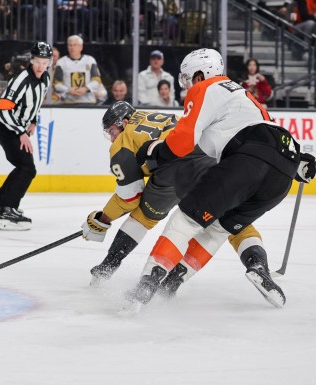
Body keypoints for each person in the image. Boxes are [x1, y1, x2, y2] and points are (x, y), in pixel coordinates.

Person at [128, 48, 316, 308]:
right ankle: (171, 284)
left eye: (186, 79)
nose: (185, 87)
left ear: (199, 74)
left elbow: (182, 142)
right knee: (218, 229)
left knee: (184, 222)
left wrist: (154, 152)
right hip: (283, 172)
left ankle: (144, 289)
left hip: (249, 158)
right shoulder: (242, 95)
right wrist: (299, 163)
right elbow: (269, 137)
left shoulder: (206, 88)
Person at [82, 101, 282, 306]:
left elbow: (129, 198)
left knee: (144, 217)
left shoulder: (122, 142)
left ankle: (107, 267)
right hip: (207, 161)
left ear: (123, 122)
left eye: (112, 131)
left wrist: (102, 220)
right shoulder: (160, 114)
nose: (112, 137)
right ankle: (257, 264)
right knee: (230, 221)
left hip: (172, 175)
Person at [0, 41, 53, 231]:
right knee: (27, 168)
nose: (41, 65)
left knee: (22, 166)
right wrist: (20, 133)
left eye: (45, 61)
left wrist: (33, 121)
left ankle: (0, 205)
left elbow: (36, 103)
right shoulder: (20, 80)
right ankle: (8, 212)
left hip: (19, 129)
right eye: (38, 61)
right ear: (31, 60)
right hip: (7, 128)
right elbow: (2, 110)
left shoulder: (45, 79)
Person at [53, 35, 105, 104]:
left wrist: (86, 89)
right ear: (67, 47)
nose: (72, 47)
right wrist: (68, 90)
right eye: (70, 45)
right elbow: (56, 84)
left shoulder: (90, 60)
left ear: (81, 47)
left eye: (75, 45)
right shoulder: (61, 62)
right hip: (68, 103)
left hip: (88, 102)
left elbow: (97, 80)